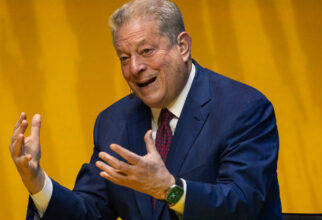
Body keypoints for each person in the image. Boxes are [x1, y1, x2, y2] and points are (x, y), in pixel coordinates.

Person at [9, 0, 282, 219]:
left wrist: (170, 191)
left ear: (182, 46)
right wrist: (36, 181)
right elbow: (90, 211)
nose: (134, 68)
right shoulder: (113, 121)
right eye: (124, 57)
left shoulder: (244, 109)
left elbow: (242, 205)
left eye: (147, 51)